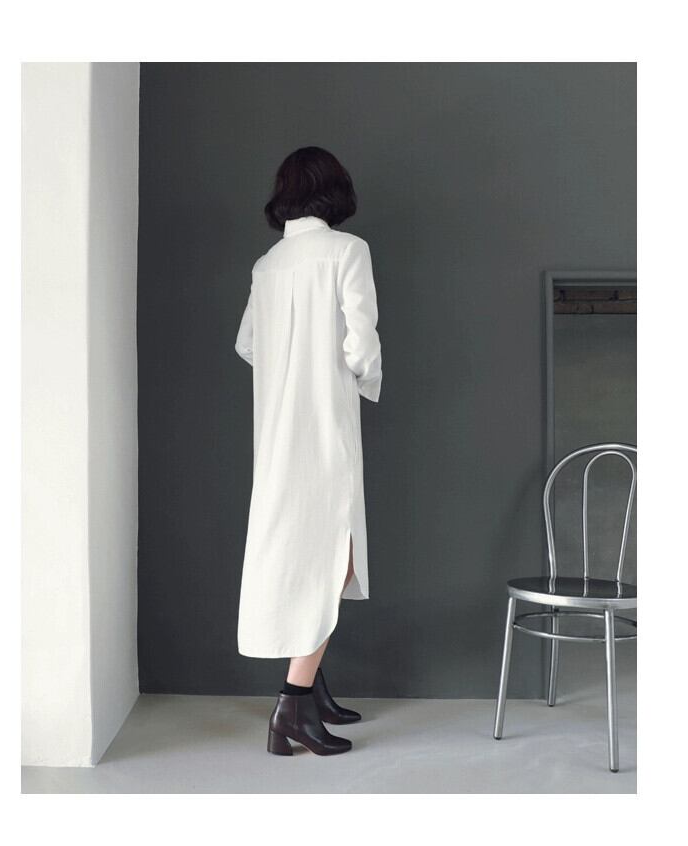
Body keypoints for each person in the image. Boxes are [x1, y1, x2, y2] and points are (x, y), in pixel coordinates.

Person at [234, 146, 382, 756]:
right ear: (334, 190)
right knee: (333, 558)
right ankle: (291, 706)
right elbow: (361, 344)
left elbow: (246, 343)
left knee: (299, 553)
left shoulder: (267, 264)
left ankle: (312, 687)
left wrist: (287, 371)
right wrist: (357, 378)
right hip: (324, 427)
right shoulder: (348, 250)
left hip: (276, 432)